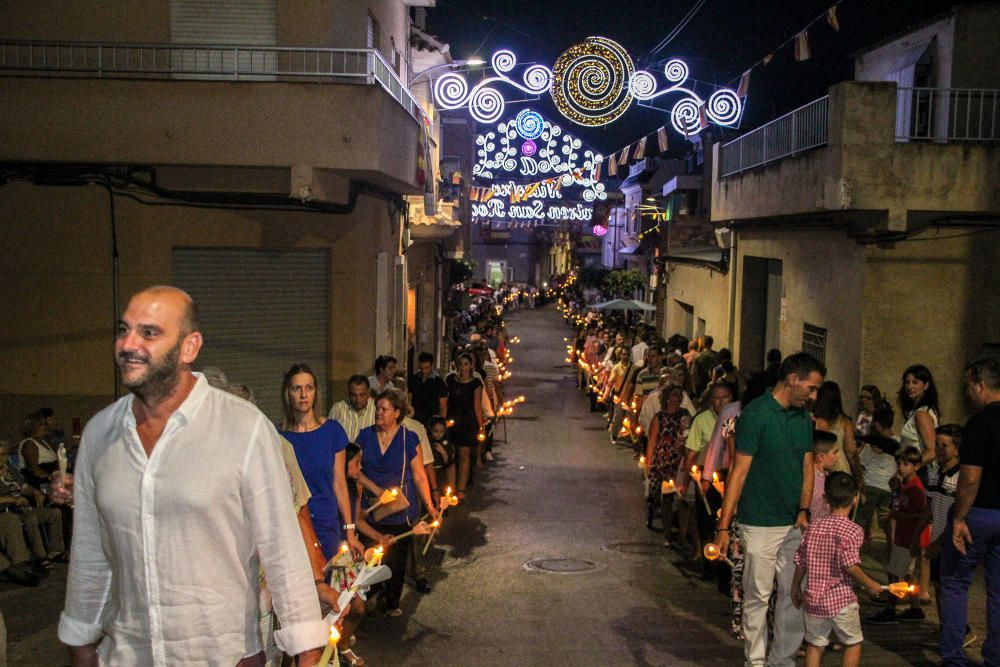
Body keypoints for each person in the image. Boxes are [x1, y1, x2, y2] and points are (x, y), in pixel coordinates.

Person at [59, 286, 326, 665]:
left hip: (224, 657)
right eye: (123, 330)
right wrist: (81, 641)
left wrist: (307, 651)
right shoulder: (100, 435)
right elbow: (89, 553)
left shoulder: (244, 429)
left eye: (149, 332)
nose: (128, 344)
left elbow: (282, 551)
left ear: (189, 347)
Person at [713, 352, 825, 667]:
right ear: (793, 379)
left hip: (793, 522)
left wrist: (804, 509)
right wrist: (723, 526)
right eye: (812, 388)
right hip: (759, 521)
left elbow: (807, 466)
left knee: (794, 595)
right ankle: (756, 661)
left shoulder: (803, 417)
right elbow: (738, 472)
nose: (814, 396)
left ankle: (783, 660)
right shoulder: (757, 414)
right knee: (757, 596)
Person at [356, 390, 438, 617]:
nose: (378, 413)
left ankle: (391, 600)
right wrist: (375, 490)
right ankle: (369, 594)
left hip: (399, 511)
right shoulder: (365, 436)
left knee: (397, 558)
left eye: (384, 409)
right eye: (377, 408)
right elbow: (355, 471)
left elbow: (419, 475)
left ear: (397, 413)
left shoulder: (408, 438)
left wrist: (430, 504)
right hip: (372, 507)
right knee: (371, 554)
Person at [940, 358, 1000, 665]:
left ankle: (953, 658)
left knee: (953, 583)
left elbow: (970, 478)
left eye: (968, 387)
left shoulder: (979, 424)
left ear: (980, 384)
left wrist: (960, 517)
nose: (967, 393)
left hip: (979, 513)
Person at [791, 472, 884, 667]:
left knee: (815, 645)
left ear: (825, 499)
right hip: (841, 599)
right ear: (855, 499)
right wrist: (871, 584)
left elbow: (801, 559)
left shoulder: (814, 527)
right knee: (853, 643)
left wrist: (795, 587)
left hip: (814, 598)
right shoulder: (853, 530)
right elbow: (849, 565)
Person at [279, 363, 363, 561]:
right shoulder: (278, 436)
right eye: (297, 388)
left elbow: (340, 483)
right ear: (288, 393)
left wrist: (350, 531)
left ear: (316, 392)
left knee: (332, 586)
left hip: (327, 523)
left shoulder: (332, 431)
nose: (303, 394)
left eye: (309, 388)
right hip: (294, 527)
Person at [867, 446, 926, 624]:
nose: (901, 467)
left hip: (909, 537)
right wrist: (895, 493)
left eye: (906, 464)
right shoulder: (903, 485)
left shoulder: (915, 488)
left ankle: (891, 608)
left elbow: (921, 514)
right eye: (899, 463)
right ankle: (915, 608)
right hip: (902, 535)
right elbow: (898, 505)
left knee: (893, 573)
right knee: (906, 573)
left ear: (916, 466)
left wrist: (899, 515)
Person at [645, 384, 692, 549]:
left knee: (682, 500)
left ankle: (682, 535)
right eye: (674, 395)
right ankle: (667, 534)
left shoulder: (685, 415)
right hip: (664, 461)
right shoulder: (659, 417)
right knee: (666, 500)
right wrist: (649, 465)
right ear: (666, 398)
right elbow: (652, 441)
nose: (677, 399)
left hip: (679, 461)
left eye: (679, 396)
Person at [855, 403, 899, 553]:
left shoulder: (870, 443)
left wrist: (859, 481)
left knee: (860, 521)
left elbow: (861, 463)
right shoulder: (899, 442)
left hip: (870, 486)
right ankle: (890, 555)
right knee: (888, 526)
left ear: (878, 424)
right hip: (888, 488)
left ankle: (854, 553)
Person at [446, 353, 484, 503]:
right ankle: (452, 487)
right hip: (453, 420)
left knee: (464, 454)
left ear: (471, 366)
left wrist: (481, 427)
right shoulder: (450, 381)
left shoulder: (475, 384)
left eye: (466, 364)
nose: (463, 367)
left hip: (468, 422)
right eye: (461, 364)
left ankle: (461, 489)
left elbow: (477, 406)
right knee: (451, 454)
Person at [813, 381, 860, 477]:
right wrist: (859, 475)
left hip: (820, 467)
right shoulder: (844, 422)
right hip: (840, 468)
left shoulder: (814, 420)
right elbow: (851, 452)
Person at [898, 364, 940, 466]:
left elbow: (932, 451)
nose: (910, 386)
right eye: (907, 383)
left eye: (915, 382)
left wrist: (910, 467)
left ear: (926, 385)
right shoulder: (913, 412)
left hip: (922, 471)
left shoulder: (922, 414)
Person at [18, 412, 59, 489]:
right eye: (42, 424)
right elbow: (33, 469)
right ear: (35, 427)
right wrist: (53, 478)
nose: (46, 426)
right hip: (41, 481)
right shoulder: (29, 443)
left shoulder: (45, 442)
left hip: (54, 476)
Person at [330, 375, 376, 444]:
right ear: (348, 393)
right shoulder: (338, 409)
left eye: (362, 395)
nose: (358, 400)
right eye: (354, 395)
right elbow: (329, 435)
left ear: (368, 393)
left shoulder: (376, 409)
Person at [408, 352, 448, 428]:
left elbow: (443, 406)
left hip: (432, 421)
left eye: (427, 368)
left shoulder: (439, 383)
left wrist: (442, 423)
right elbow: (409, 399)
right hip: (416, 420)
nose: (424, 371)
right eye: (421, 368)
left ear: (432, 365)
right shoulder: (414, 379)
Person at [809, 431, 841, 523]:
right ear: (821, 457)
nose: (838, 456)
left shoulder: (826, 476)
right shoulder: (817, 484)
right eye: (835, 452)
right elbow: (817, 516)